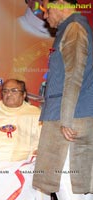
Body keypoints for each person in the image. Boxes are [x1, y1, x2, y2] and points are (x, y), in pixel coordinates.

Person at [32, 0, 93, 199]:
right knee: (71, 187)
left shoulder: (74, 28)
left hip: (70, 123)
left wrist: (66, 120)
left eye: (48, 10)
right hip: (70, 118)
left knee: (69, 187)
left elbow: (74, 75)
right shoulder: (72, 28)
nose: (45, 16)